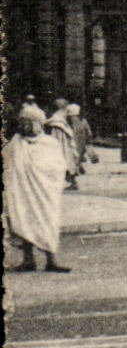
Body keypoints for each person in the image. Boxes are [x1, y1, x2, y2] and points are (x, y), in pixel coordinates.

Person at [3, 110, 72, 272]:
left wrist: (38, 171)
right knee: (24, 221)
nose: (23, 126)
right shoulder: (15, 143)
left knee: (47, 221)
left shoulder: (49, 143)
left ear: (37, 124)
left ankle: (51, 260)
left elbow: (57, 167)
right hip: (22, 191)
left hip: (44, 192)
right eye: (21, 122)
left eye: (27, 122)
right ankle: (28, 260)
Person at [66, 104, 95, 172]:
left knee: (74, 153)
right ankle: (78, 166)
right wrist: (89, 139)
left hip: (73, 139)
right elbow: (88, 131)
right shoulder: (83, 120)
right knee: (79, 153)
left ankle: (77, 167)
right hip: (81, 140)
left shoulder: (68, 121)